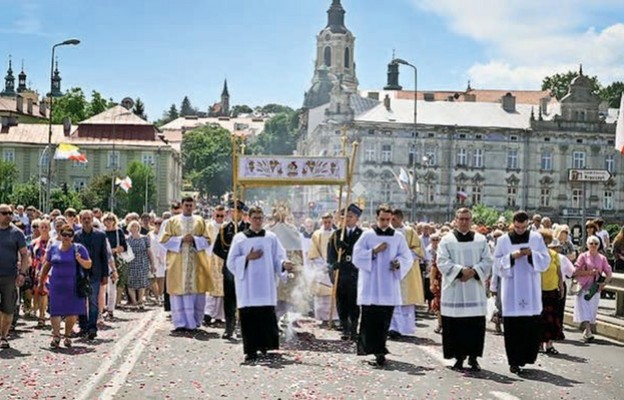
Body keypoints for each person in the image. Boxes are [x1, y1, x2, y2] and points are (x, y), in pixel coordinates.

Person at [226, 206, 293, 362]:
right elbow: (231, 262)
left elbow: (278, 257)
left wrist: (284, 264)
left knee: (265, 315)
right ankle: (250, 350)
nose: (258, 221)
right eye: (255, 218)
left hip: (266, 285)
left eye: (260, 218)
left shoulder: (270, 237)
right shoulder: (240, 238)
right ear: (248, 219)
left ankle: (265, 347)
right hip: (248, 286)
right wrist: (247, 258)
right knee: (249, 318)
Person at [352, 204, 413, 366]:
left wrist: (398, 263)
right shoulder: (367, 236)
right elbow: (356, 257)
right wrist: (373, 252)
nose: (385, 223)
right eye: (382, 219)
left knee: (384, 320)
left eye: (388, 220)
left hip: (388, 285)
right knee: (370, 320)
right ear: (376, 218)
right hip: (371, 286)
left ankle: (380, 350)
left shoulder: (398, 237)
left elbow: (407, 257)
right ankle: (372, 349)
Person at [493, 210, 550, 375]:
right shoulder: (503, 240)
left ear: (528, 224)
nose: (520, 230)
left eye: (523, 227)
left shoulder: (536, 238)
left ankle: (527, 357)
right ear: (513, 224)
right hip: (511, 289)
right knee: (513, 329)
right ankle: (514, 361)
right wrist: (512, 256)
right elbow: (496, 263)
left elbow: (545, 260)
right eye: (517, 227)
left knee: (530, 327)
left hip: (530, 289)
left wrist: (532, 254)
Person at [436, 208, 492, 371]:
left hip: (474, 289)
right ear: (455, 220)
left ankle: (473, 358)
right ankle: (458, 358)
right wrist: (461, 271)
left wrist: (473, 271)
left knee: (474, 326)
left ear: (471, 220)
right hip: (455, 290)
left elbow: (488, 260)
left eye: (467, 219)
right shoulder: (446, 240)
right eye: (461, 219)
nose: (464, 222)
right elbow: (441, 261)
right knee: (456, 325)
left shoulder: (481, 240)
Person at [160, 196, 213, 331]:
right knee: (178, 292)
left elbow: (208, 240)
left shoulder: (200, 221)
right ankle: (180, 323)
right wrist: (180, 240)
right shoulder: (172, 221)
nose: (189, 207)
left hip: (196, 263)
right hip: (177, 263)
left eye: (191, 205)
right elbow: (164, 240)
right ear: (182, 206)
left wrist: (194, 239)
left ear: (194, 206)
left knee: (196, 292)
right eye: (186, 205)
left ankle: (195, 321)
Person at [38, 224, 92, 348]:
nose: (67, 237)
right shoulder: (54, 248)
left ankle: (67, 335)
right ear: (60, 235)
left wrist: (80, 260)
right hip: (56, 284)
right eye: (64, 234)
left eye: (69, 235)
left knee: (71, 311)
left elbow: (89, 264)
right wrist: (41, 281)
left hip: (73, 285)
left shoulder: (79, 249)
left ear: (73, 237)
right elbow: (47, 265)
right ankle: (56, 336)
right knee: (55, 310)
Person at [327, 203, 364, 341]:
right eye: (345, 216)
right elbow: (330, 253)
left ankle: (354, 329)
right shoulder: (336, 235)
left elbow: (363, 253)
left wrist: (348, 247)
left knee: (354, 302)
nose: (347, 219)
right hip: (341, 272)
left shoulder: (362, 235)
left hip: (355, 272)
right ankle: (345, 328)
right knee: (341, 301)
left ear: (357, 218)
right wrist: (332, 265)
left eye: (350, 216)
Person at [213, 200, 249, 339]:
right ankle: (229, 328)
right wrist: (230, 258)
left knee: (243, 299)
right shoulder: (224, 229)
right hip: (229, 269)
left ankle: (241, 327)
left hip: (245, 268)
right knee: (229, 299)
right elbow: (217, 248)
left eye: (237, 211)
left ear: (241, 212)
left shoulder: (247, 228)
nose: (235, 213)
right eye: (232, 211)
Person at [74, 210, 111, 341]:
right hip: (80, 274)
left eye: (89, 218)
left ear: (92, 219)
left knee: (93, 301)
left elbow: (104, 256)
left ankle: (92, 328)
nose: (86, 220)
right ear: (80, 220)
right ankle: (83, 326)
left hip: (96, 273)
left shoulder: (100, 235)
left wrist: (105, 274)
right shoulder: (76, 235)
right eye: (84, 218)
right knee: (81, 301)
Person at [388, 208, 425, 338]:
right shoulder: (387, 231)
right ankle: (392, 328)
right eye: (390, 219)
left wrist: (400, 259)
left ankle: (404, 329)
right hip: (390, 271)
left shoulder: (409, 232)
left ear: (400, 219)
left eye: (394, 219)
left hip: (406, 272)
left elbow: (418, 250)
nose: (391, 222)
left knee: (405, 302)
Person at [0, 204, 30, 349]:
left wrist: (22, 273)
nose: (8, 215)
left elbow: (25, 254)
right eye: (4, 213)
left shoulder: (17, 233)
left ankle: (3, 336)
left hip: (10, 276)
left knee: (8, 308)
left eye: (10, 213)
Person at [573, 235, 612, 342]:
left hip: (595, 289)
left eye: (595, 244)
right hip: (583, 287)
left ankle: (587, 330)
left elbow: (609, 272)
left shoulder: (602, 258)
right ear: (587, 245)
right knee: (585, 310)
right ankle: (588, 330)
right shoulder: (583, 256)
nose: (593, 246)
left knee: (592, 311)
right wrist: (589, 272)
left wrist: (604, 283)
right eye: (591, 243)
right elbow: (575, 271)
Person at [306, 212, 337, 326]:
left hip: (333, 268)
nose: (327, 224)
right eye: (325, 222)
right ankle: (321, 318)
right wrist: (322, 264)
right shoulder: (317, 234)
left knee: (333, 293)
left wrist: (332, 264)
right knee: (321, 294)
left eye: (329, 222)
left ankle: (333, 318)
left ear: (332, 221)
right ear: (322, 221)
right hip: (320, 268)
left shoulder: (337, 234)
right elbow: (313, 252)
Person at [537, 230, 564, 354]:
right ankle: (538, 343)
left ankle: (549, 345)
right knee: (539, 318)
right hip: (538, 290)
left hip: (552, 290)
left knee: (552, 318)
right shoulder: (534, 255)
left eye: (545, 240)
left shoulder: (554, 254)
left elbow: (559, 272)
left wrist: (561, 286)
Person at [204, 206, 226, 325]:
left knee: (222, 289)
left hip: (223, 260)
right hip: (211, 259)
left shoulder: (227, 227)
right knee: (211, 288)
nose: (219, 218)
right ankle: (208, 313)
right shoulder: (208, 227)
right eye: (217, 215)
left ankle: (219, 315)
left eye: (222, 216)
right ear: (213, 214)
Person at [126, 221, 155, 309]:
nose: (134, 228)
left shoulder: (145, 238)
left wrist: (152, 263)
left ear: (139, 227)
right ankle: (134, 301)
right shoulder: (127, 239)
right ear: (129, 228)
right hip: (131, 263)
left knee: (142, 282)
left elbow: (149, 251)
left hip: (142, 262)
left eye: (136, 226)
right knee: (131, 283)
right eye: (132, 226)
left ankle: (140, 300)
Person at [31, 219, 52, 328]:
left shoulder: (52, 242)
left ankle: (42, 315)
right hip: (37, 269)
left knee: (44, 292)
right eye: (42, 227)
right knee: (37, 292)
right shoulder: (34, 242)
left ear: (49, 228)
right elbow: (31, 256)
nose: (44, 229)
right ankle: (39, 312)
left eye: (46, 227)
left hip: (48, 270)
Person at [428, 233, 443, 334]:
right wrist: (432, 283)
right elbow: (434, 268)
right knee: (439, 303)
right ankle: (440, 323)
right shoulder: (439, 254)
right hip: (440, 281)